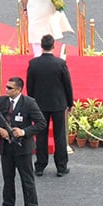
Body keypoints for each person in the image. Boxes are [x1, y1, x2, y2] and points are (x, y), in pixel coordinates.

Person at [0, 77, 45, 206]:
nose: (6, 90)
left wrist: (24, 132)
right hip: (6, 148)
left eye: (10, 88)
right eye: (6, 87)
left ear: (19, 90)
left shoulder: (29, 103)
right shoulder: (2, 101)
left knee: (27, 181)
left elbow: (41, 123)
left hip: (22, 149)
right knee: (8, 179)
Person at [25, 34, 74, 178]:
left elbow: (30, 86)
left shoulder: (33, 64)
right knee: (59, 136)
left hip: (39, 105)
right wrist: (70, 102)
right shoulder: (60, 63)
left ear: (41, 46)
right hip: (58, 104)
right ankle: (61, 167)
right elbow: (67, 85)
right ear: (54, 46)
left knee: (41, 135)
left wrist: (31, 103)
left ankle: (40, 166)